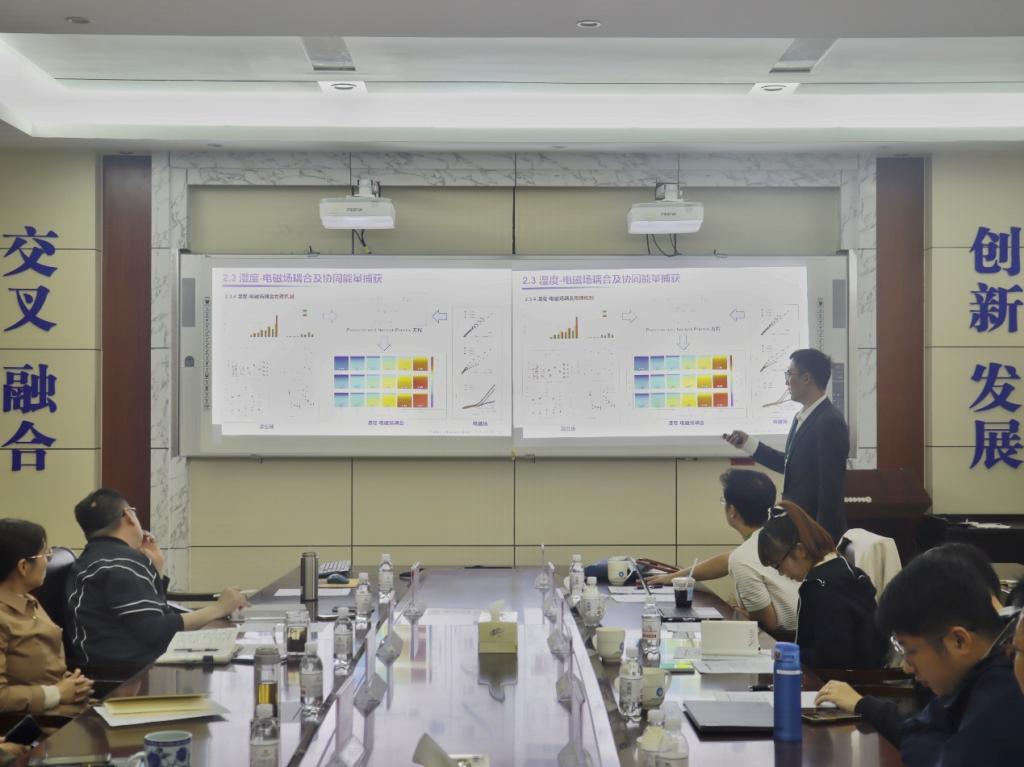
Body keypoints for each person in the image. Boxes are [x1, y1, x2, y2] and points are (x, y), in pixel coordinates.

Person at [848, 555, 1024, 767]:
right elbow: (913, 730)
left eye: (910, 650)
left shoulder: (1003, 694)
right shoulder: (967, 677)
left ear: (958, 641)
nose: (906, 667)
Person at [815, 542, 1009, 733]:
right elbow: (923, 729)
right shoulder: (970, 673)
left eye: (910, 650)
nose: (906, 667)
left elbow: (925, 736)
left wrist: (864, 705)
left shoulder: (1000, 691)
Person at [65, 488, 250, 674]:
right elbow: (154, 631)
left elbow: (144, 619)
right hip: (125, 674)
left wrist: (156, 571)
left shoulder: (99, 559)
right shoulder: (121, 563)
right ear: (128, 515)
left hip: (116, 663)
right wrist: (219, 608)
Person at [647, 469, 799, 634]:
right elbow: (726, 561)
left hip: (788, 641)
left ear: (732, 511)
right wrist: (674, 577)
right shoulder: (776, 536)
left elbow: (768, 625)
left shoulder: (743, 559)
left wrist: (741, 612)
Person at [723, 348, 849, 540]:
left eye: (789, 374)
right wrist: (748, 443)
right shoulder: (802, 417)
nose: (786, 381)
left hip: (814, 533)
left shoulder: (829, 421)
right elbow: (791, 465)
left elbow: (830, 490)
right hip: (799, 527)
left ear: (807, 378)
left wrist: (822, 541)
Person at [757, 501, 887, 669]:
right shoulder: (840, 567)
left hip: (842, 680)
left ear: (800, 550)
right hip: (858, 673)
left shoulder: (820, 588)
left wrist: (784, 654)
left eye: (777, 565)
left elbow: (831, 660)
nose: (780, 573)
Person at [0, 519, 93, 714]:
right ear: (23, 566)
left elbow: (48, 668)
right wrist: (56, 693)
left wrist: (75, 685)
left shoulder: (28, 600)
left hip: (69, 709)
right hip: (43, 721)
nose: (49, 559)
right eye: (45, 553)